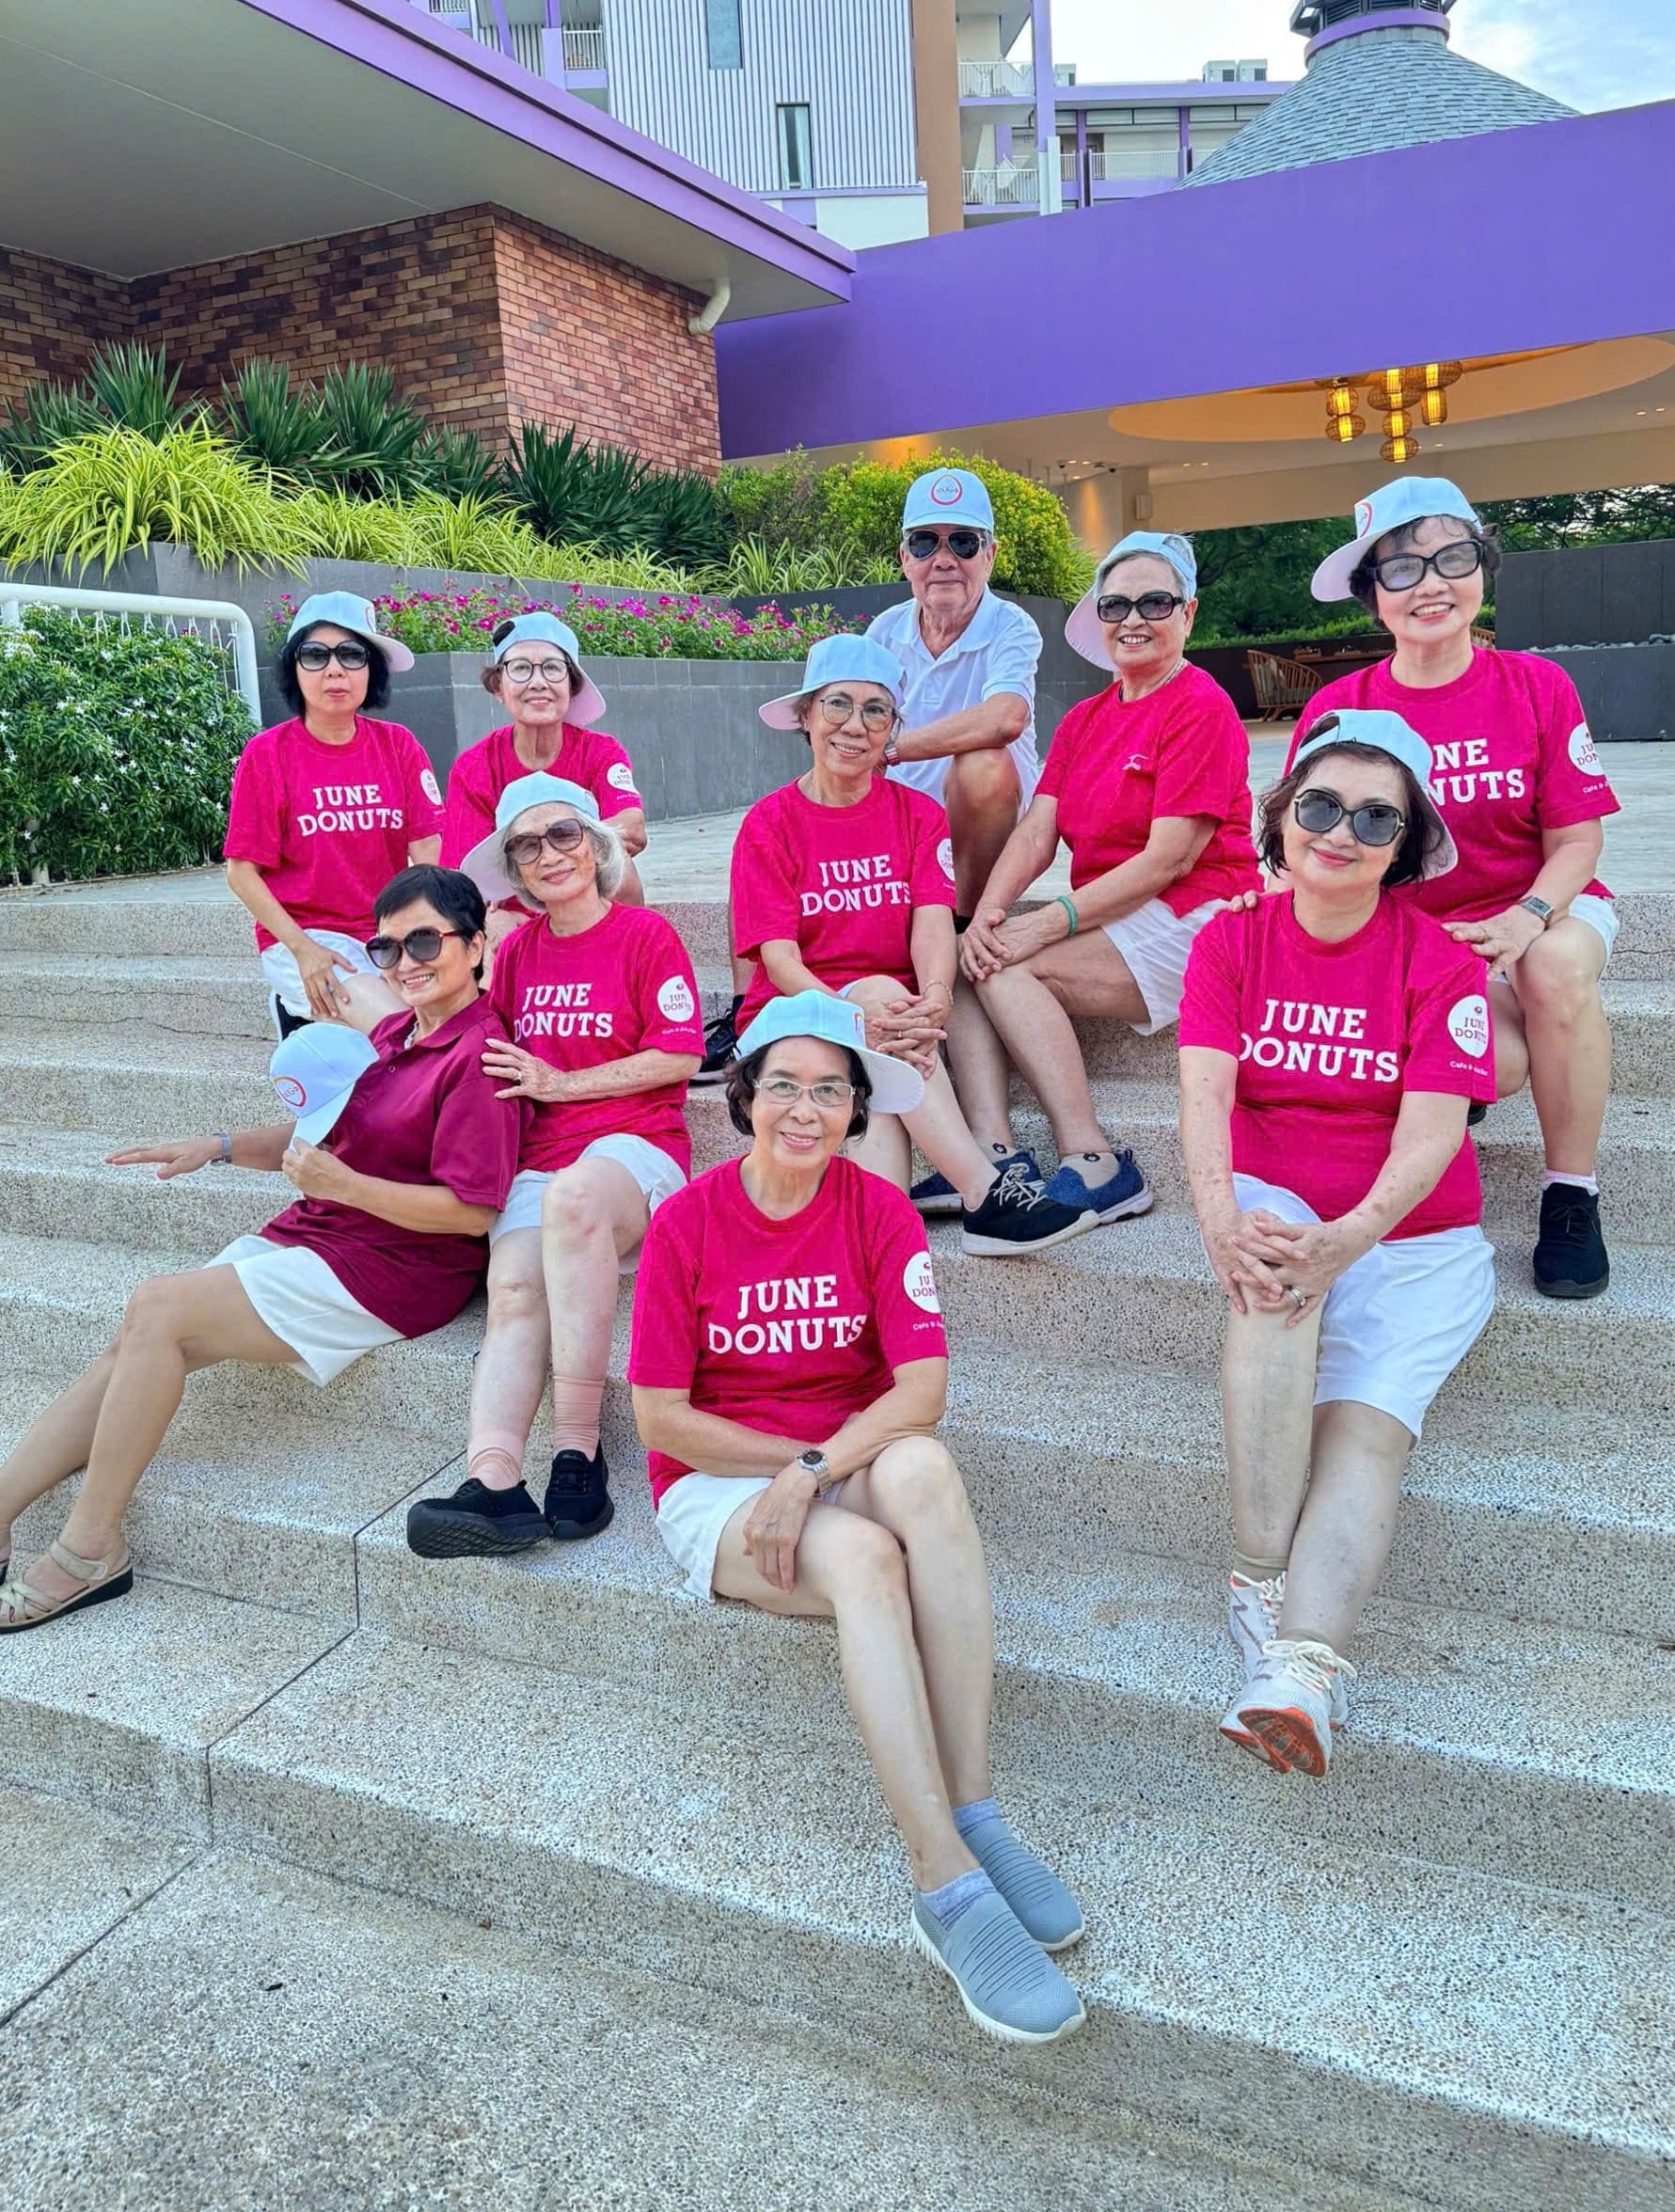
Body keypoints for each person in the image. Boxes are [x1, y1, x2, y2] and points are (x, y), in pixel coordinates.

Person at [629, 991, 1084, 2045]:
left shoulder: (878, 1211)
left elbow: (921, 1393)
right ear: (744, 1096)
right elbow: (661, 1420)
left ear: (856, 1108)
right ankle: (942, 1882)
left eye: (830, 1091)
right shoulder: (687, 1220)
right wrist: (792, 1469)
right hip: (716, 1484)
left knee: (923, 1468)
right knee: (869, 1561)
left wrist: (815, 1465)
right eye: (784, 1086)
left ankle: (974, 1811)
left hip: (835, 1458)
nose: (806, 1110)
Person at [0, 866, 520, 1632]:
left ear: (475, 947)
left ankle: (88, 1550)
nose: (404, 963)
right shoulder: (393, 1034)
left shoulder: (477, 1056)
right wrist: (217, 1146)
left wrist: (346, 1187)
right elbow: (324, 1132)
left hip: (394, 1269)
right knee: (137, 1335)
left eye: (424, 942)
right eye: (386, 948)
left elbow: (473, 1213)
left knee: (158, 1310)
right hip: (326, 1234)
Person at [1177, 713, 1495, 1776]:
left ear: (1403, 846)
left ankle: (1300, 1673)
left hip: (1411, 1240)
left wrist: (1347, 1241)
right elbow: (1203, 1099)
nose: (1340, 832)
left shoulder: (1439, 964)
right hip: (1274, 1201)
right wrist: (1219, 1220)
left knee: (1364, 1434)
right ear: (1281, 817)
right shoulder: (1229, 940)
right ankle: (1257, 1576)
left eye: (1374, 819)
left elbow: (1431, 1136)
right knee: (1269, 1274)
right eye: (1320, 805)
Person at [1297, 479, 1620, 1299]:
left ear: (1481, 567)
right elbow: (1305, 845)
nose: (1430, 584)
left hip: (1543, 904)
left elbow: (1577, 839)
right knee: (1498, 1063)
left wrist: (1526, 918)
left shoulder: (1536, 685)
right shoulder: (1339, 708)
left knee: (1552, 969)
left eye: (1452, 558)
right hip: (1417, 939)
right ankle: (1449, 1087)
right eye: (1401, 569)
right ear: (1372, 594)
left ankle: (1571, 1195)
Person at [404, 774, 703, 1556]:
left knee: (571, 1200)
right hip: (541, 1155)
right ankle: (493, 1482)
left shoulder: (645, 935)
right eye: (527, 846)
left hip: (633, 1148)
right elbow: (487, 1052)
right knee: (510, 1285)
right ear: (516, 871)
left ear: (595, 846)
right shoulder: (517, 954)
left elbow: (679, 1055)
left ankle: (577, 1448)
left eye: (564, 834)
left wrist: (563, 1084)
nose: (549, 854)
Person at [729, 637, 1096, 1257]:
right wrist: (855, 1014)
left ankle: (887, 1239)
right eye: (837, 705)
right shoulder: (769, 823)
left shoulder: (918, 813)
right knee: (879, 1003)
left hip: (896, 1023)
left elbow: (932, 923)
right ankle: (983, 1192)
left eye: (876, 711)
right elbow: (779, 962)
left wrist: (935, 996)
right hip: (798, 1009)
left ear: (891, 729)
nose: (855, 725)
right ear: (806, 716)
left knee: (881, 1066)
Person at [942, 530, 1259, 1226]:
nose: (1132, 619)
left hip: (1197, 914)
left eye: (1154, 603)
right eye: (1115, 606)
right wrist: (987, 913)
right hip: (1115, 913)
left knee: (1006, 969)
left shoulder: (1199, 706)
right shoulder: (1085, 718)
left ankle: (1095, 1161)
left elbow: (1170, 859)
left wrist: (1044, 923)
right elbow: (1038, 830)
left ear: (1188, 614)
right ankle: (991, 1153)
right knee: (964, 954)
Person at [694, 466, 1043, 1082]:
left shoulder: (1011, 624)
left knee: (983, 764)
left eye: (962, 542)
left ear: (989, 554)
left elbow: (1005, 718)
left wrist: (889, 749)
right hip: (896, 828)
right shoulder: (885, 631)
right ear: (904, 558)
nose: (943, 559)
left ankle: (958, 922)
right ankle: (748, 1009)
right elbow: (851, 718)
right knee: (766, 844)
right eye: (925, 542)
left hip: (968, 832)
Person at [224, 592, 441, 1036]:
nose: (335, 669)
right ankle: (295, 1007)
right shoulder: (267, 754)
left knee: (457, 1013)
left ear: (371, 669)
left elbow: (427, 850)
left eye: (352, 654)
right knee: (399, 1030)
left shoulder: (398, 745)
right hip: (309, 935)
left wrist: (430, 932)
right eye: (315, 655)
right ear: (294, 668)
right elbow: (241, 874)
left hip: (388, 933)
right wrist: (303, 950)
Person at [440, 613, 648, 965]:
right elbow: (463, 874)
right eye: (521, 669)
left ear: (572, 686)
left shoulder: (601, 751)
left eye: (552, 668)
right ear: (499, 688)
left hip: (586, 903)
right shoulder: (474, 767)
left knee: (621, 865)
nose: (538, 683)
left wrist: (555, 848)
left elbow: (633, 829)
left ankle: (625, 965)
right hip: (511, 916)